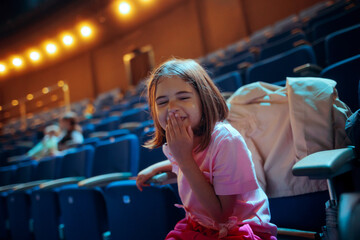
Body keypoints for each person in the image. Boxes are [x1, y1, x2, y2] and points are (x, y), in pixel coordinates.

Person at [136, 58, 277, 240]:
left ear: (204, 99)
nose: (171, 108)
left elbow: (221, 215)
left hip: (238, 227)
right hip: (199, 225)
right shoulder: (182, 140)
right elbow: (191, 163)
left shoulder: (226, 140)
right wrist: (157, 167)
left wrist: (184, 158)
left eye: (184, 97)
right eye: (162, 102)